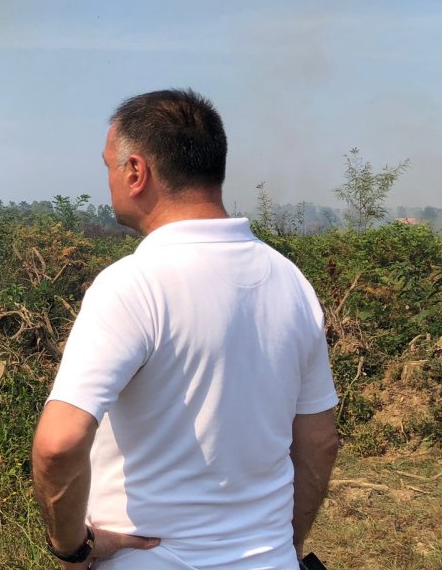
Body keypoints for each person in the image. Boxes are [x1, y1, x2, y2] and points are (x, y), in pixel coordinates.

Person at [31, 90, 340, 569]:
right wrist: (285, 546)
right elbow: (320, 442)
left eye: (108, 166)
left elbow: (59, 444)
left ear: (136, 173)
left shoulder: (132, 285)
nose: (108, 180)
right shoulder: (291, 281)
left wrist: (75, 548)